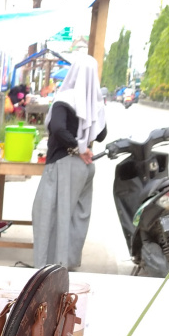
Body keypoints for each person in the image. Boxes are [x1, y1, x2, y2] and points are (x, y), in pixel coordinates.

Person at [32, 53, 107, 269]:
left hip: (65, 163)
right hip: (85, 167)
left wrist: (77, 147)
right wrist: (85, 145)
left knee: (48, 213)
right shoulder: (96, 102)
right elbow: (101, 135)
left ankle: (51, 267)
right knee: (77, 215)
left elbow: (57, 128)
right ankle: (69, 262)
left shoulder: (65, 99)